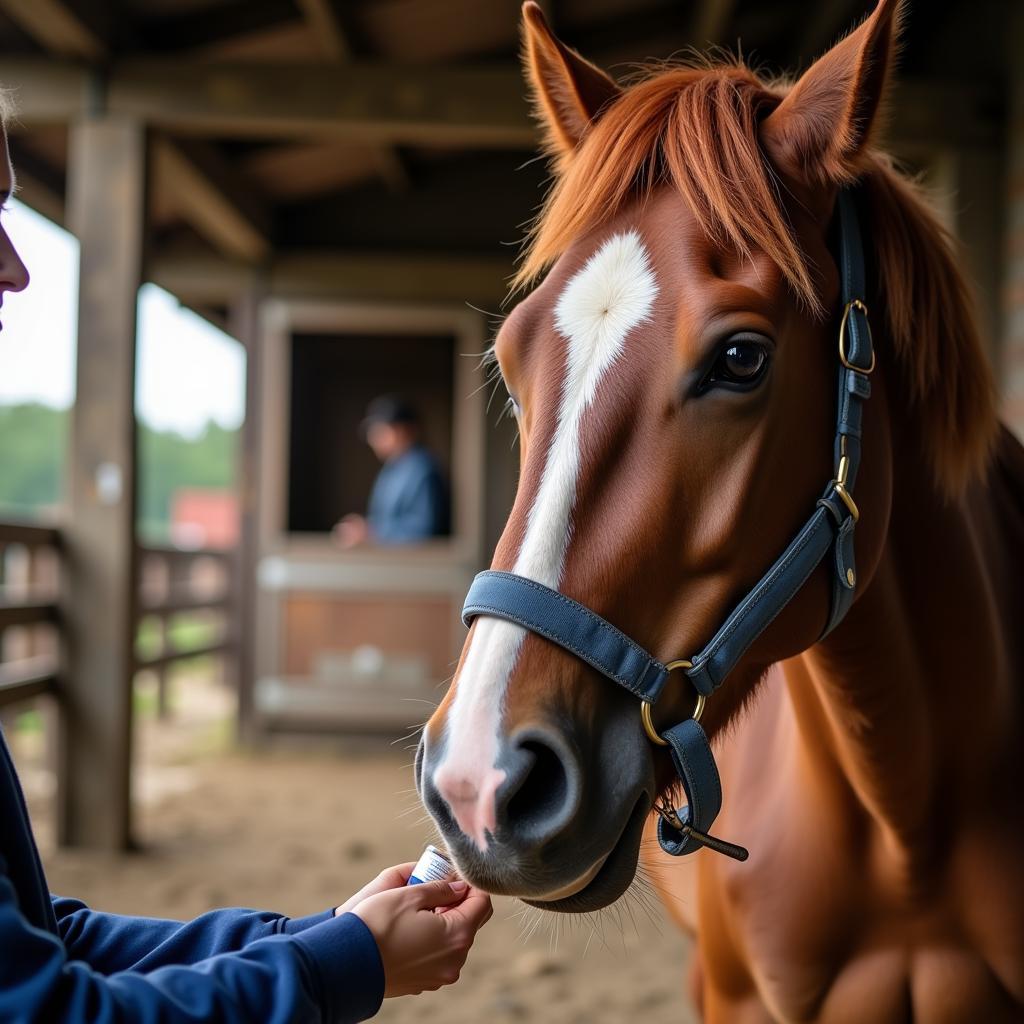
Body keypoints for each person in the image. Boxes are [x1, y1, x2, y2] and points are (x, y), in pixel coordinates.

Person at [0, 107, 491, 1022]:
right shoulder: (409, 471)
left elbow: (39, 939)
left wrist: (323, 936)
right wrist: (334, 962)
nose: (20, 268)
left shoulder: (415, 473)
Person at [334, 397, 450, 548]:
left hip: (418, 564)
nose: (374, 438)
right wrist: (365, 528)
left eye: (382, 430)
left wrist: (371, 532)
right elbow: (384, 520)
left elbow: (423, 530)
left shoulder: (422, 469)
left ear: (405, 430)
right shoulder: (393, 467)